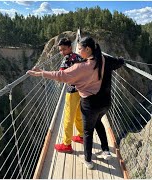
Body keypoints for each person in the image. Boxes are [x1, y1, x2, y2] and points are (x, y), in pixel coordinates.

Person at [27, 37, 124, 169]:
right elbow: (117, 63)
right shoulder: (102, 59)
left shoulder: (82, 66)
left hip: (88, 103)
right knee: (97, 122)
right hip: (104, 102)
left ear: (88, 49)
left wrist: (41, 73)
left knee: (87, 131)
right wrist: (122, 60)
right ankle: (105, 150)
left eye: (79, 48)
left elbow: (60, 75)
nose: (78, 51)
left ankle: (88, 160)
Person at [52, 38, 84, 153]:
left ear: (70, 47)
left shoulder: (67, 59)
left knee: (68, 118)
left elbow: (60, 75)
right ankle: (81, 136)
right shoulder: (78, 57)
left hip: (72, 91)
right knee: (78, 114)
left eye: (64, 49)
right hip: (82, 90)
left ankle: (66, 144)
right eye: (60, 50)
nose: (62, 52)